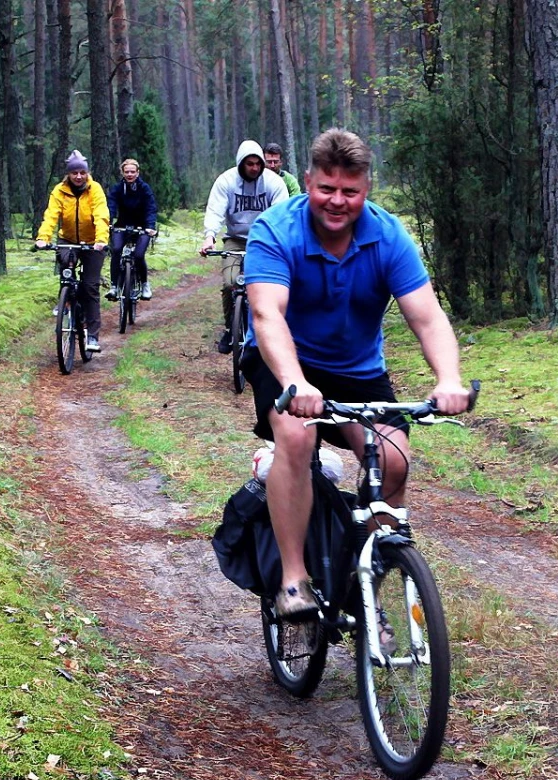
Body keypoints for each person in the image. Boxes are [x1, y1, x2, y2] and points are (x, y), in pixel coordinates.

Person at [243, 128, 470, 618]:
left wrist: (448, 378)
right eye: (327, 188)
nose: (337, 201)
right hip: (284, 360)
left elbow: (427, 317)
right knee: (298, 440)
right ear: (308, 182)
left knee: (392, 460)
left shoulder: (387, 236)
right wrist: (295, 382)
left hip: (357, 367)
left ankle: (365, 591)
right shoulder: (276, 230)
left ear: (367, 189)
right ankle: (293, 580)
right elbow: (268, 316)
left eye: (350, 191)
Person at [199, 140, 289, 352]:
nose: (255, 168)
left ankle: (265, 330)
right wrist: (209, 236)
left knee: (263, 287)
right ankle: (231, 329)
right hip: (235, 238)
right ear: (241, 163)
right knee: (231, 282)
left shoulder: (273, 182)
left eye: (258, 164)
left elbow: (281, 213)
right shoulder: (226, 181)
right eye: (250, 164)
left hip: (264, 241)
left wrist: (279, 241)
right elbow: (215, 210)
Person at [36, 150, 110, 352]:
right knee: (66, 272)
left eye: (82, 173)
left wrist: (102, 239)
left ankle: (92, 336)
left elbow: (101, 214)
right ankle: (66, 300)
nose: (78, 176)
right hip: (68, 239)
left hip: (94, 242)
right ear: (68, 174)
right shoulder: (59, 191)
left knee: (90, 286)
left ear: (87, 173)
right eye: (74, 173)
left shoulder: (95, 189)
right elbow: (51, 215)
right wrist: (43, 238)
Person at [106, 158, 158, 303]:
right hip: (122, 225)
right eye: (127, 171)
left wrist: (150, 226)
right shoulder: (117, 188)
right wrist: (108, 222)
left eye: (132, 172)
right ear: (122, 173)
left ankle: (144, 285)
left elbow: (151, 208)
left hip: (142, 227)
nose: (129, 174)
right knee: (116, 250)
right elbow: (111, 205)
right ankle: (114, 286)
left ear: (137, 172)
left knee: (139, 255)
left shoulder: (144, 188)